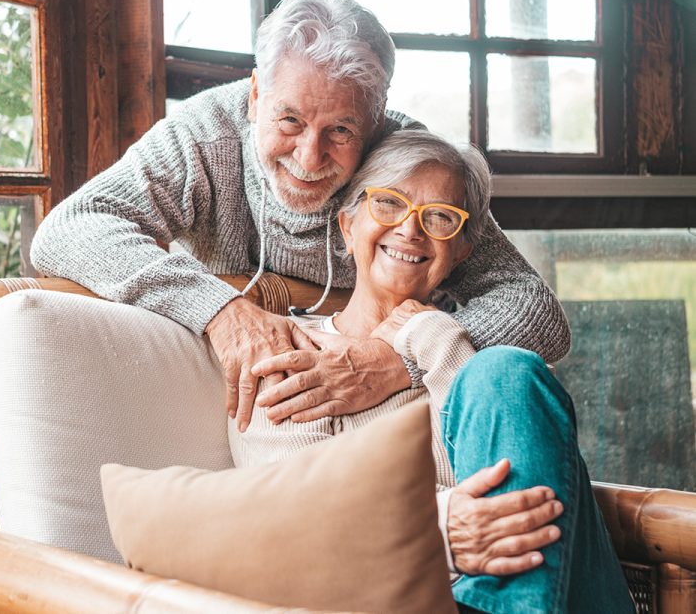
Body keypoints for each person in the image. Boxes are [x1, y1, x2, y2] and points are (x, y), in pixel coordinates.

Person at [30, 0, 569, 574]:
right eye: (289, 120)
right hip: (299, 438)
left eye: (340, 131)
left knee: (514, 386)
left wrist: (394, 358)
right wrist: (220, 310)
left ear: (375, 121)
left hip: (419, 413)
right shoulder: (205, 135)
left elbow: (535, 309)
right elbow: (72, 227)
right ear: (256, 93)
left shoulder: (405, 159)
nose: (309, 158)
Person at [231, 129, 634, 614]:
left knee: (508, 371)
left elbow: (500, 471)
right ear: (348, 225)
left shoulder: (465, 355)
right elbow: (297, 509)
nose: (410, 230)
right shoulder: (290, 351)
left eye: (439, 217)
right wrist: (440, 525)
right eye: (388, 204)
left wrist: (430, 334)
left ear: (462, 250)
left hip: (519, 589)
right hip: (406, 595)